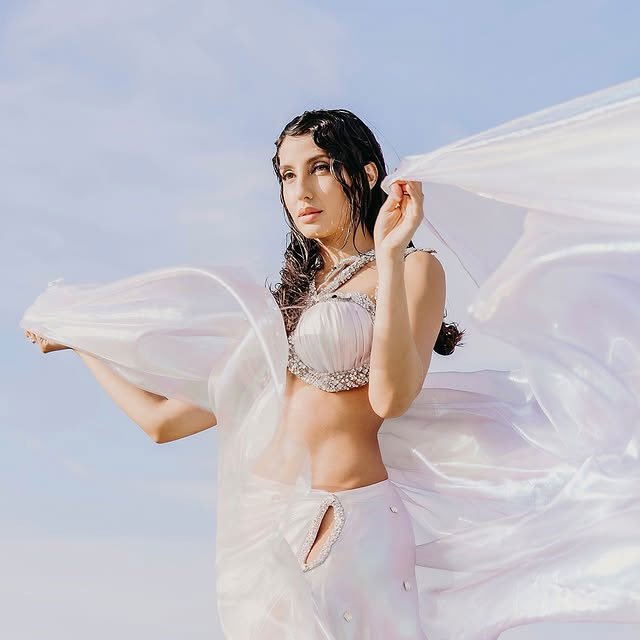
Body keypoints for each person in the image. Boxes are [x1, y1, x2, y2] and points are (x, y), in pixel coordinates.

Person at [21, 77, 640, 640]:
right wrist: (80, 342)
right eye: (287, 175)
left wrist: (390, 256)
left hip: (354, 520)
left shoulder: (415, 270)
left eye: (320, 168)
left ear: (365, 174)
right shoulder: (285, 308)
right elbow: (161, 423)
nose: (301, 190)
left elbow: (391, 397)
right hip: (270, 533)